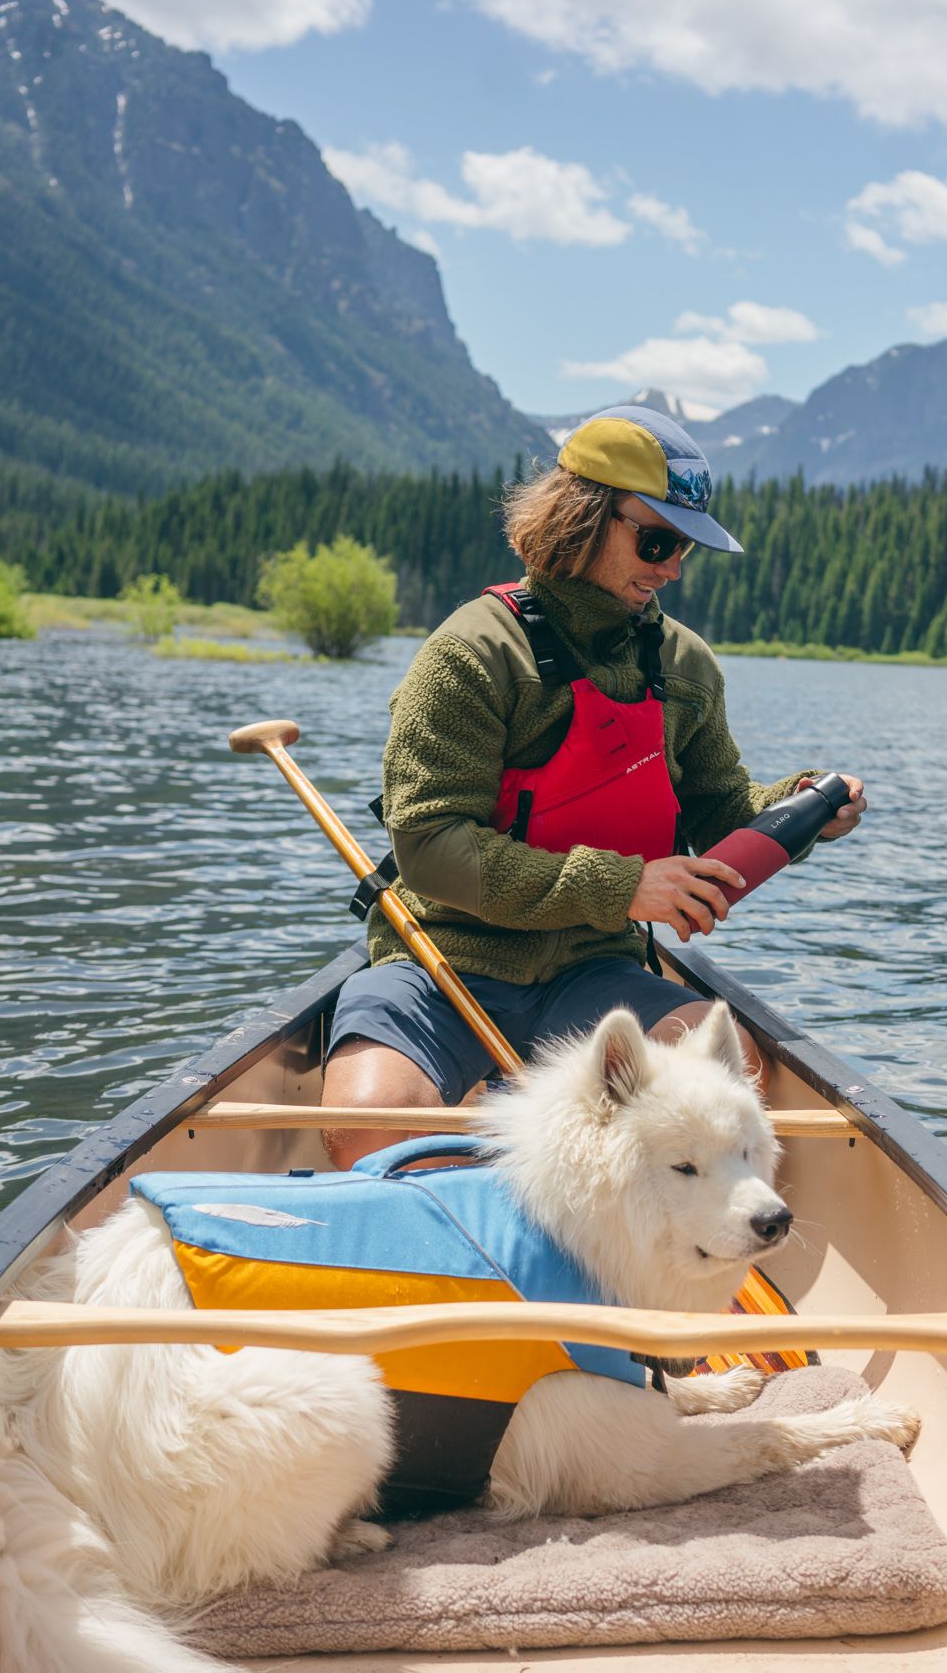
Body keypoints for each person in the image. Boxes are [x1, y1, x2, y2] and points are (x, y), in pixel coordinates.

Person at [321, 403, 865, 1166]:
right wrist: (622, 888)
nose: (672, 567)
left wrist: (801, 808)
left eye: (685, 550)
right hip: (441, 962)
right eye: (657, 540)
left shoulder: (685, 668)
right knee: (369, 1129)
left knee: (732, 1080)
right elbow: (433, 851)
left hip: (594, 975)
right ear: (582, 516)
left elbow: (721, 820)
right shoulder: (469, 652)